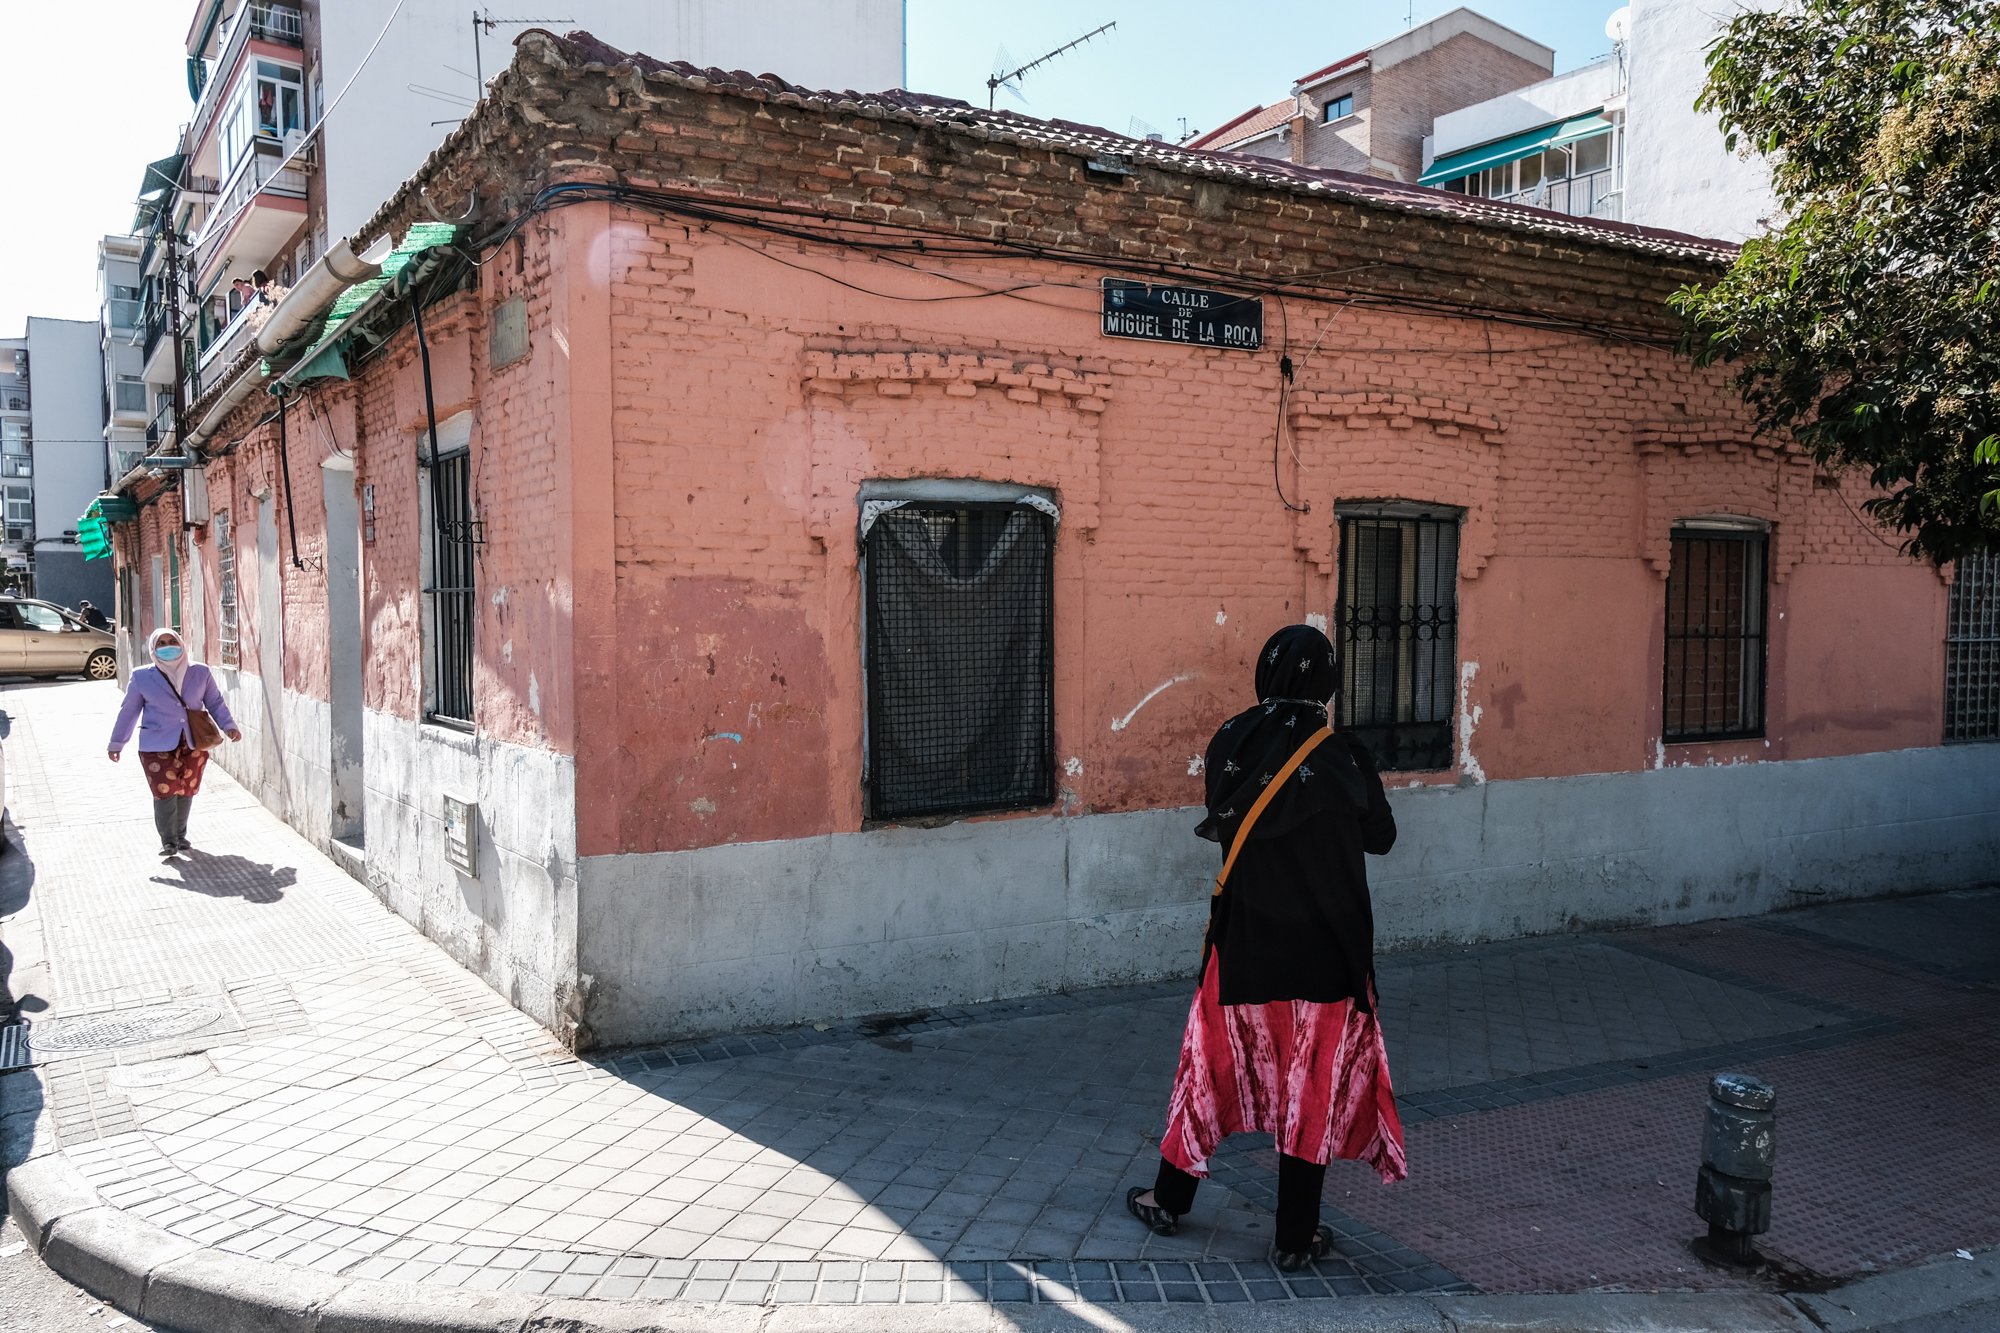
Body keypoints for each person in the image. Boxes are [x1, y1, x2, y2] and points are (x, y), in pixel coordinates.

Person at [1127, 624, 1406, 1270]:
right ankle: (1293, 1236)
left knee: (1207, 1070)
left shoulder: (1232, 739)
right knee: (1308, 1090)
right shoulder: (1344, 757)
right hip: (1327, 957)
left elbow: (1227, 819)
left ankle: (1169, 1199)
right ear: (1327, 681)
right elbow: (1382, 837)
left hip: (1245, 948)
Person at [107, 629, 242, 857]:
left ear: (181, 643)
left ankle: (180, 835)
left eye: (172, 641)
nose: (168, 646)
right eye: (161, 643)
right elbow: (129, 711)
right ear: (153, 648)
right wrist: (116, 743)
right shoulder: (142, 677)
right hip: (156, 744)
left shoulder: (200, 672)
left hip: (193, 742)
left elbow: (215, 702)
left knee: (186, 789)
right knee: (164, 790)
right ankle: (168, 841)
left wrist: (229, 726)